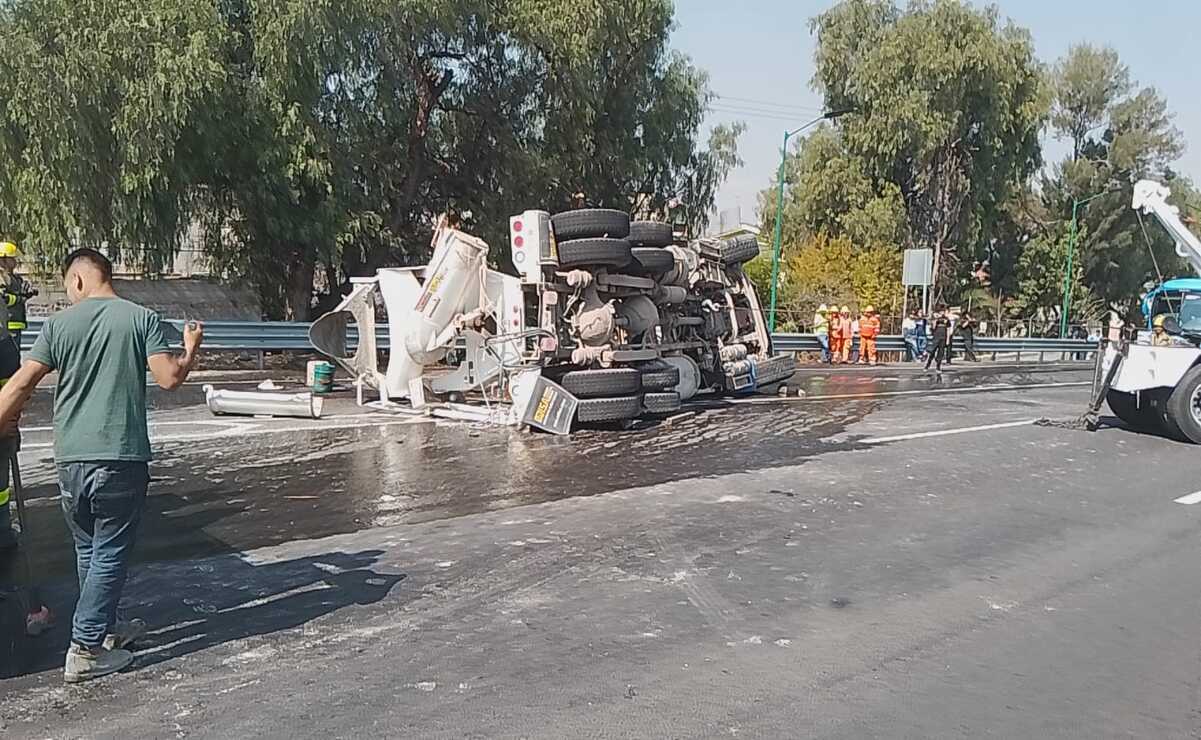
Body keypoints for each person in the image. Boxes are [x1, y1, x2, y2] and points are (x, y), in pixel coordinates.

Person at [0, 248, 204, 683]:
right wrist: (189, 350)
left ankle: (106, 629)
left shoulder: (57, 326)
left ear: (77, 281)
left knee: (89, 548)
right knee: (109, 550)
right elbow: (170, 379)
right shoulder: (140, 318)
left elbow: (21, 383)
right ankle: (87, 647)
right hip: (119, 455)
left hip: (71, 457)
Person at [0, 242, 37, 350]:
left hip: (15, 323)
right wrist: (20, 298)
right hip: (7, 326)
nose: (15, 261)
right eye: (12, 258)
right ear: (3, 259)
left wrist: (27, 292)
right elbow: (3, 299)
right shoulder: (2, 277)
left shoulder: (13, 277)